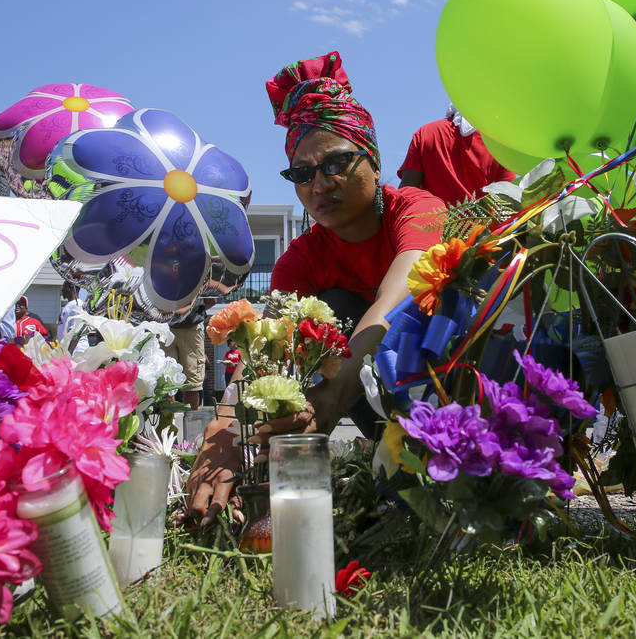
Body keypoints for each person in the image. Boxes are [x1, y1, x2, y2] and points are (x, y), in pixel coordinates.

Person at [186, 50, 445, 524]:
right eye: (301, 173)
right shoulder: (299, 260)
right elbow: (264, 356)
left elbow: (402, 292)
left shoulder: (418, 206)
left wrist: (331, 394)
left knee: (356, 311)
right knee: (319, 319)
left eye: (336, 164)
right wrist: (222, 435)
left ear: (372, 156)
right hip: (371, 403)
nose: (318, 185)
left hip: (444, 383)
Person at [397, 105, 516, 204]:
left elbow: (407, 193)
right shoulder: (498, 143)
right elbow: (508, 198)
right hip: (482, 230)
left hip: (432, 227)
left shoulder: (426, 133)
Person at [164, 302, 208, 410]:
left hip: (165, 324)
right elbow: (212, 298)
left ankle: (168, 424)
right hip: (191, 326)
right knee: (192, 385)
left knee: (165, 382)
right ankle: (191, 424)